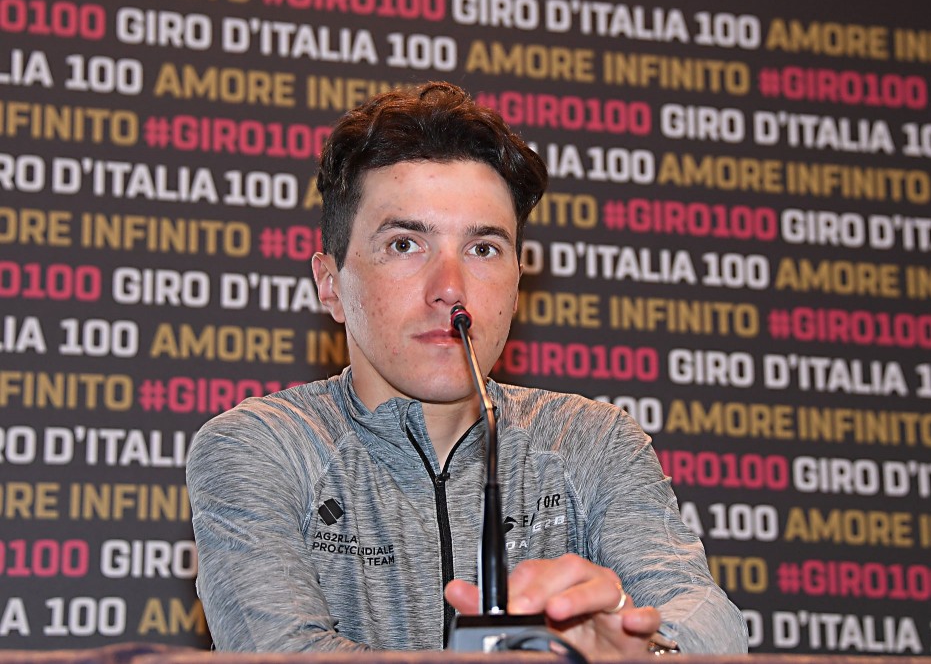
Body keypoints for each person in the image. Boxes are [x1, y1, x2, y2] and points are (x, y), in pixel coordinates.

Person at [185, 81, 748, 657]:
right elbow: (281, 652)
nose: (451, 288)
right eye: (405, 245)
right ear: (331, 285)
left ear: (516, 283)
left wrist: (641, 648)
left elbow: (705, 617)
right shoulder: (261, 446)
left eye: (483, 249)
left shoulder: (590, 440)